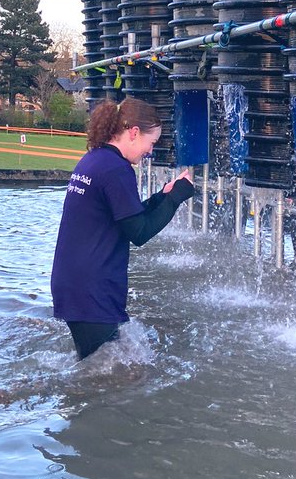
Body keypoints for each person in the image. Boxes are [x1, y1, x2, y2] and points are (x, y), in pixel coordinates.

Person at [51, 96, 196, 360]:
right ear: (133, 132)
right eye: (151, 143)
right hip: (91, 290)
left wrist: (162, 196)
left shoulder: (95, 159)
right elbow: (138, 232)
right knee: (103, 380)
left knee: (103, 367)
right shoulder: (117, 169)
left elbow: (124, 216)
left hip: (75, 284)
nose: (150, 151)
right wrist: (176, 198)